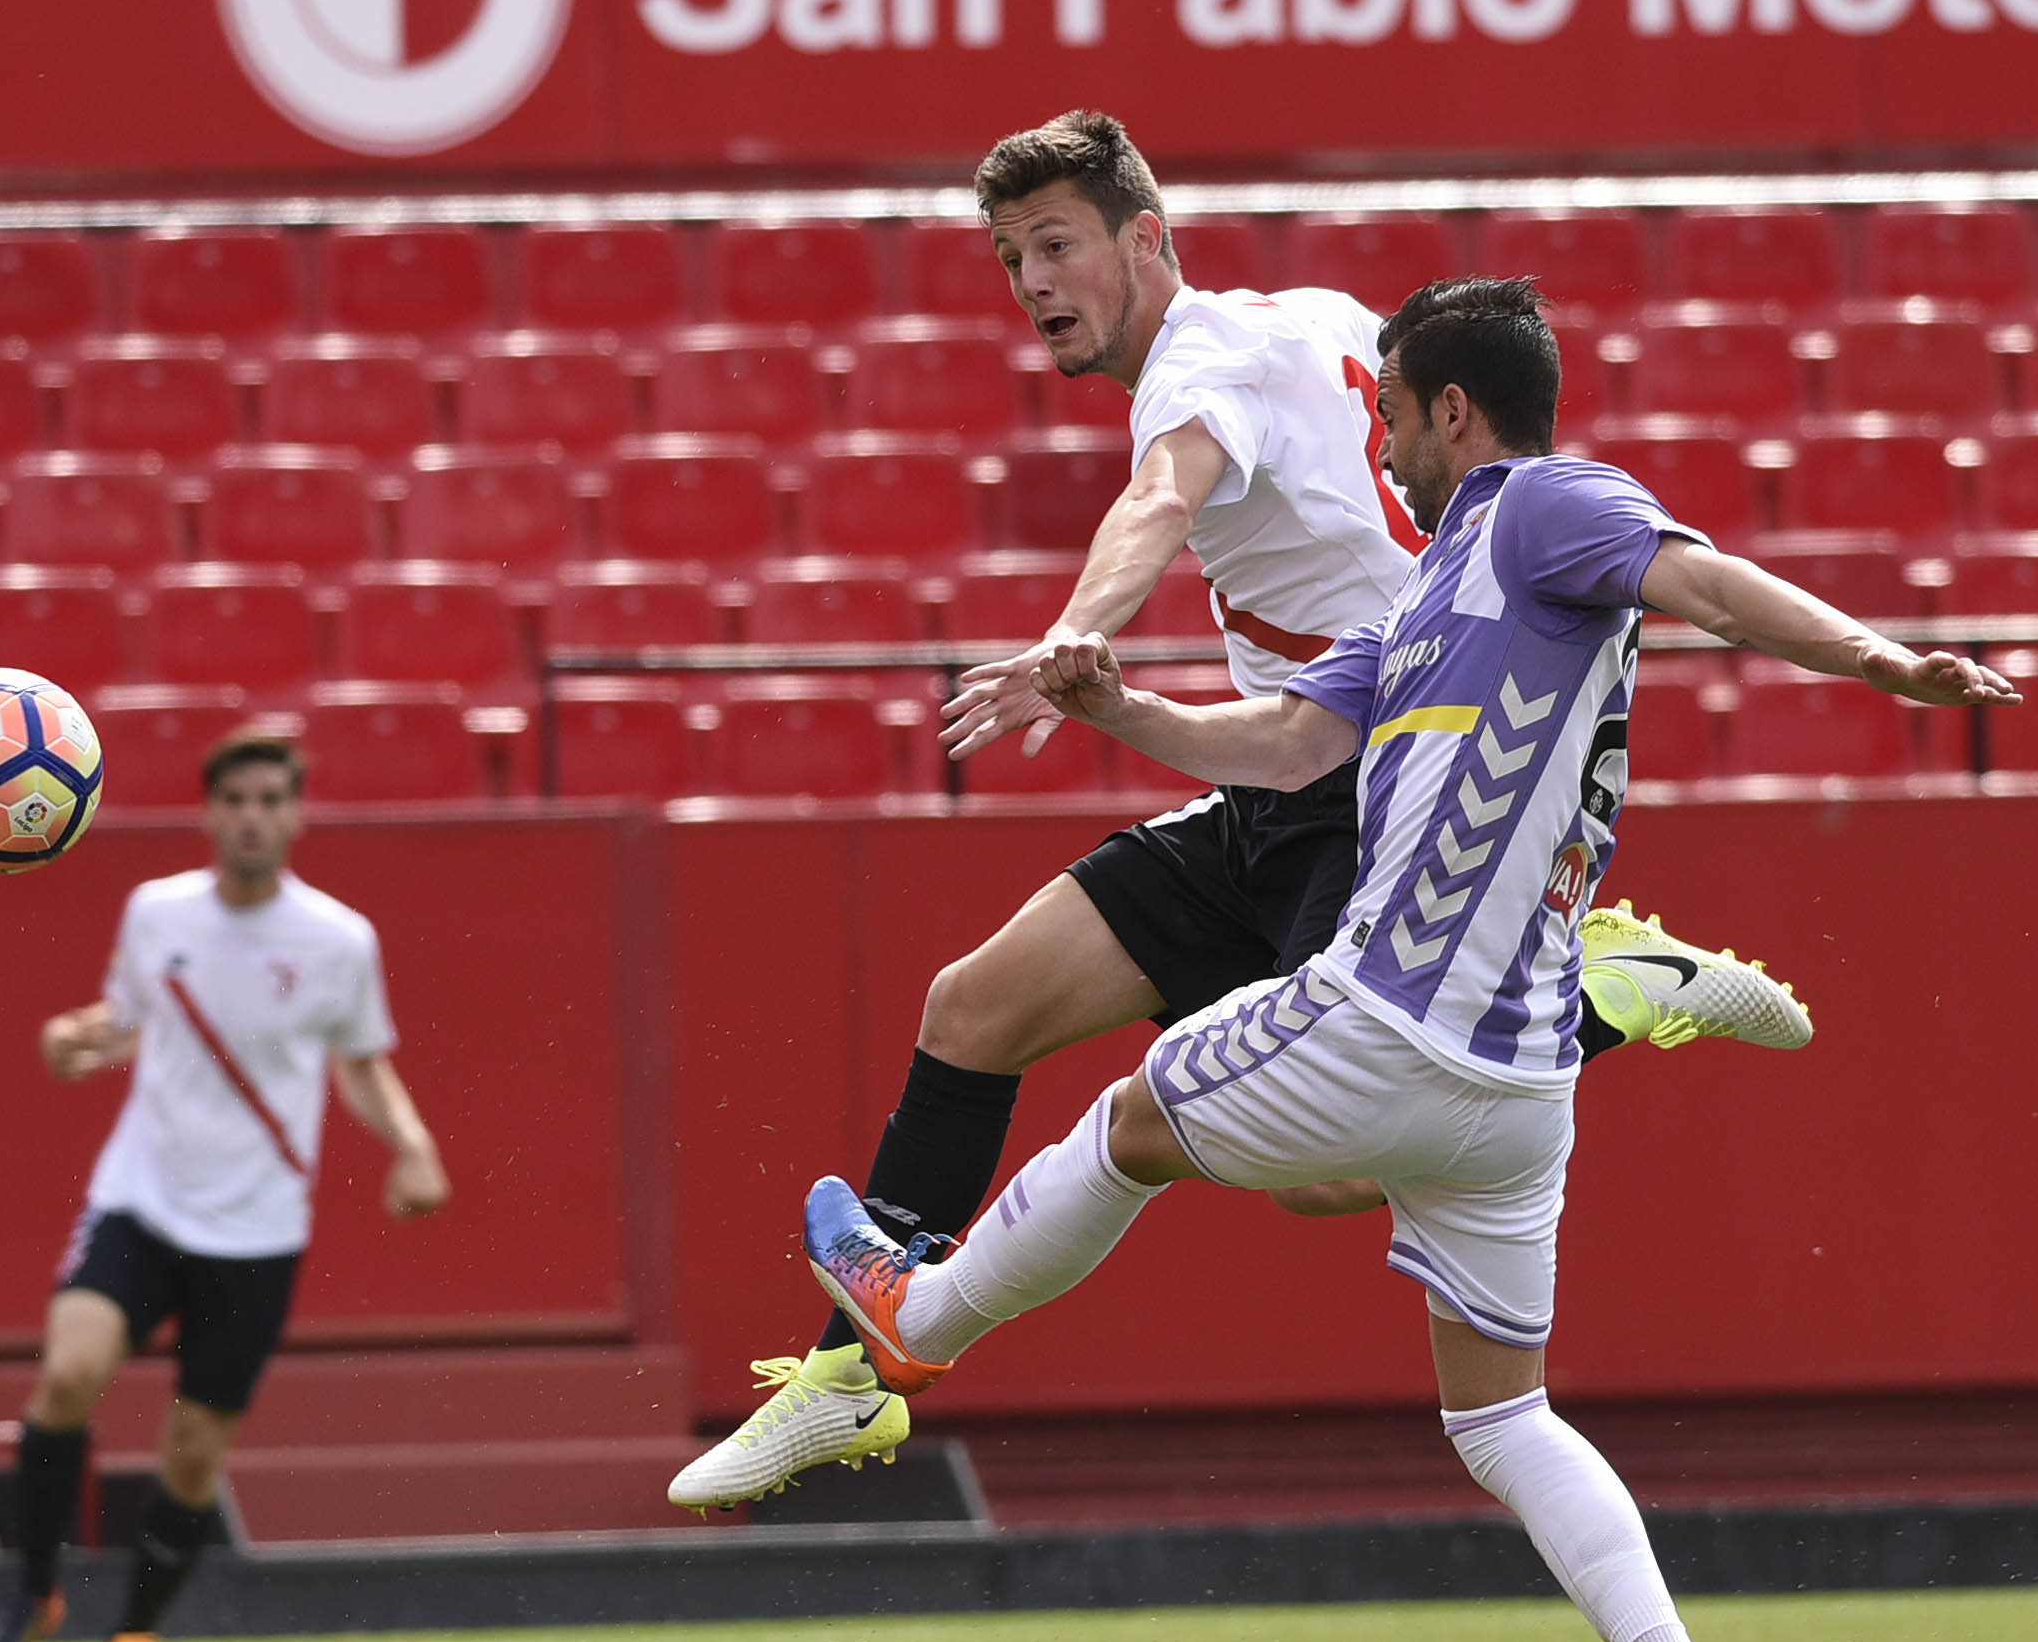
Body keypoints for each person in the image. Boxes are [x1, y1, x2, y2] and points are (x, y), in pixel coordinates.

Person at [787, 276, 2019, 1642]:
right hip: (1518, 1094)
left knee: (1132, 1112)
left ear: (1453, 411)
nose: (1377, 441)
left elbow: (1703, 585)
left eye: (1390, 414)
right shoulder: (1425, 597)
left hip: (1389, 1013)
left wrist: (1879, 660)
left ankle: (916, 1317)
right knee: (1503, 1417)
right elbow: (1283, 752)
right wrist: (1124, 705)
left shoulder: (1539, 509)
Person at [669, 111, 1810, 1512]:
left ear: (1145, 240)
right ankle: (853, 1384)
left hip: (1366, 791)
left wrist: (1072, 635)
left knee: (1324, 1184)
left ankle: (1600, 985)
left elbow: (1160, 498)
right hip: (1274, 780)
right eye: (1010, 255)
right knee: (974, 1005)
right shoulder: (1313, 317)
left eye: (1057, 246)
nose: (1031, 282)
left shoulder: (1194, 372)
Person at [0, 728, 450, 1642]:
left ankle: (135, 1635)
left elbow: (358, 1064)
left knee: (195, 1450)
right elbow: (129, 1023)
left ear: (295, 814)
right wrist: (77, 1040)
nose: (253, 818)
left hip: (259, 1223)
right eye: (237, 800)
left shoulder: (337, 939)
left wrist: (413, 1142)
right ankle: (32, 1593)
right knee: (68, 1374)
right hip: (142, 1196)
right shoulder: (157, 912)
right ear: (210, 810)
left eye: (272, 800)